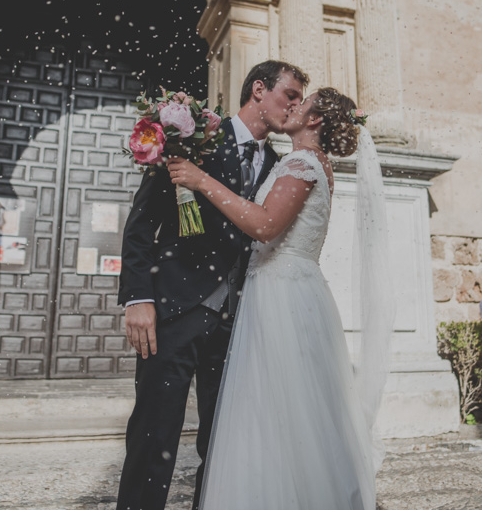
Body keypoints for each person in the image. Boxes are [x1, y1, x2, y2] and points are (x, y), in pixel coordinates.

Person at [169, 87, 384, 509]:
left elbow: (266, 226)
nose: (292, 107)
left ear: (315, 121)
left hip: (281, 294)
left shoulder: (303, 162)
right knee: (289, 412)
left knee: (275, 412)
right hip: (286, 289)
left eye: (300, 104)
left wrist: (200, 180)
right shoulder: (304, 163)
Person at [115, 60, 309, 510]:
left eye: (300, 100)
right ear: (258, 90)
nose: (295, 107)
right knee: (153, 435)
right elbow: (141, 226)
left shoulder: (281, 167)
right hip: (173, 313)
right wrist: (138, 299)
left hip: (238, 324)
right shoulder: (195, 139)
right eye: (290, 96)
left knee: (222, 443)